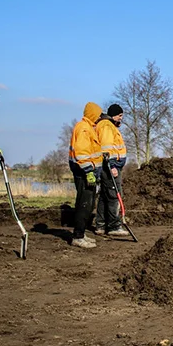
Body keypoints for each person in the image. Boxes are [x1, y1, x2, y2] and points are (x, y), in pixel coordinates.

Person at [68, 102, 103, 249]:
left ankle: (81, 233)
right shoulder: (83, 128)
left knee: (88, 204)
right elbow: (81, 152)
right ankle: (78, 236)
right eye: (98, 114)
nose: (100, 117)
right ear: (93, 114)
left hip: (88, 171)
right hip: (84, 171)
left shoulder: (89, 128)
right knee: (84, 203)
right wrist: (89, 171)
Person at [94, 104, 129, 236]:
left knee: (104, 195)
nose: (121, 118)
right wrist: (112, 166)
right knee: (114, 195)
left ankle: (101, 225)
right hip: (110, 166)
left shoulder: (107, 126)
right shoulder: (107, 127)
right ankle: (114, 226)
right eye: (120, 116)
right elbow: (106, 149)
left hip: (109, 165)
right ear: (114, 115)